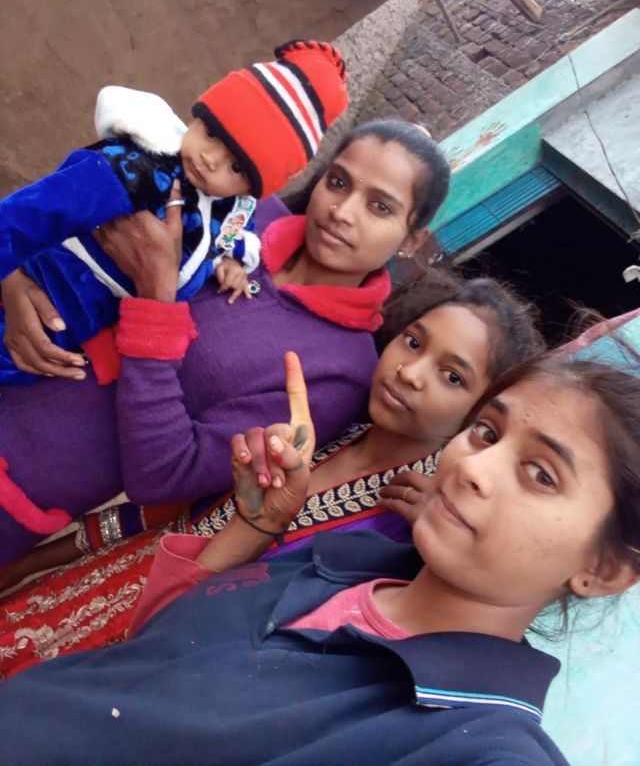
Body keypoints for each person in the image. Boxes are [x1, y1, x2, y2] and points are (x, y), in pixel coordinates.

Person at [1, 353, 639, 765]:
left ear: (605, 571)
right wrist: (256, 525)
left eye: (541, 474)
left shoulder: (475, 747)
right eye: (487, 432)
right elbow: (154, 653)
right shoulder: (343, 562)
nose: (475, 467)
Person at [0, 275, 542, 677]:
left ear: (481, 414)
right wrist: (33, 563)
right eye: (415, 342)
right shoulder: (325, 428)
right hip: (77, 594)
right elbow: (170, 513)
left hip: (145, 666)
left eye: (452, 376)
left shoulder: (408, 530)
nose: (411, 373)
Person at [0, 118, 450, 565]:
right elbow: (80, 206)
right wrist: (13, 276)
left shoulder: (340, 371)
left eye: (380, 207)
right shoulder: (242, 209)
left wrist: (156, 297)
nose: (342, 211)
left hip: (21, 479)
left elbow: (166, 474)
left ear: (412, 239)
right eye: (338, 182)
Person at [0, 39, 349, 385]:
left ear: (251, 189)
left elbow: (230, 236)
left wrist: (230, 261)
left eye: (236, 167)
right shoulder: (137, 167)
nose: (210, 158)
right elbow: (33, 212)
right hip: (43, 280)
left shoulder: (230, 208)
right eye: (212, 133)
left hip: (74, 327)